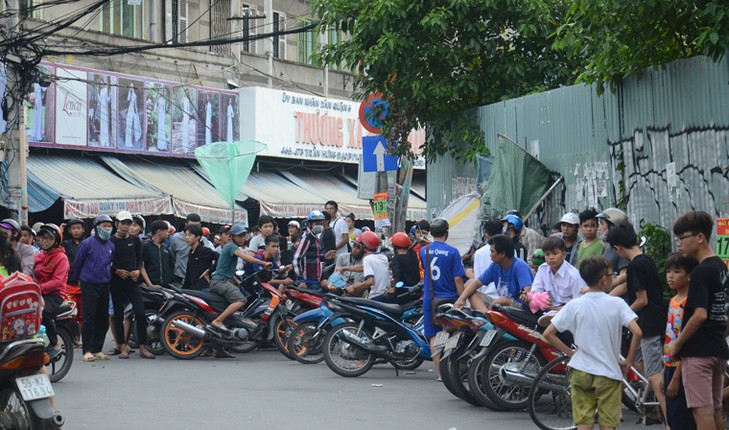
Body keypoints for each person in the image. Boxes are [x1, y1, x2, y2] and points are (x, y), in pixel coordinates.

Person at [544, 256, 642, 430]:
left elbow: (548, 333)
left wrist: (571, 353)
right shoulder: (617, 304)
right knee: (607, 424)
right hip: (608, 372)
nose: (613, 278)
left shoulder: (574, 305)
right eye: (612, 275)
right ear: (604, 279)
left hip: (580, 370)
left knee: (584, 423)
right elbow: (637, 332)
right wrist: (628, 362)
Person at [670, 211, 729, 430]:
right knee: (715, 410)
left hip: (698, 353)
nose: (679, 244)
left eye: (682, 238)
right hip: (718, 349)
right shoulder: (721, 268)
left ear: (700, 238)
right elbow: (725, 313)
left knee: (701, 412)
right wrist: (717, 335)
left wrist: (678, 343)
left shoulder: (701, 272)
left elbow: (700, 314)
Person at [604, 223, 668, 422]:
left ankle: (671, 420)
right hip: (645, 325)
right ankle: (653, 411)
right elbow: (621, 284)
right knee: (638, 367)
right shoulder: (643, 261)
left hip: (649, 326)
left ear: (618, 249)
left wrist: (622, 314)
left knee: (655, 377)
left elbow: (642, 300)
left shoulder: (636, 265)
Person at [419, 218, 466, 381]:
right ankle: (452, 370)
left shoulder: (423, 251)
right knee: (452, 334)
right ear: (446, 233)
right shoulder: (453, 252)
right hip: (449, 299)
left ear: (431, 233)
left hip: (430, 299)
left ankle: (441, 373)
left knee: (433, 335)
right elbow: (458, 279)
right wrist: (462, 299)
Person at [209, 224, 271, 336]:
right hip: (220, 282)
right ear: (233, 236)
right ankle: (218, 321)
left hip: (221, 281)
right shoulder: (231, 246)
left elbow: (225, 268)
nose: (243, 238)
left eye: (244, 235)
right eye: (240, 236)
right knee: (241, 300)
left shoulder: (230, 247)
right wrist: (264, 263)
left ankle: (221, 347)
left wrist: (237, 282)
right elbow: (246, 258)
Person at [109, 211, 154, 359]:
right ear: (117, 224)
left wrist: (136, 271)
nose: (126, 226)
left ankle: (143, 346)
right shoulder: (111, 241)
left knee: (140, 314)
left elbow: (140, 260)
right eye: (123, 223)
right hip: (116, 282)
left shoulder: (135, 240)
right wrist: (116, 270)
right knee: (118, 314)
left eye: (129, 223)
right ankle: (122, 346)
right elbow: (107, 262)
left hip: (133, 282)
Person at [663, 252, 698, 430]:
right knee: (672, 417)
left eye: (676, 271)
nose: (670, 276)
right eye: (668, 271)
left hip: (682, 368)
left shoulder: (688, 303)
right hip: (669, 365)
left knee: (682, 418)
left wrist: (676, 377)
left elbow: (686, 342)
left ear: (689, 275)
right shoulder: (673, 301)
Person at [72, 215, 115, 362]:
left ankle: (97, 349)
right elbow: (78, 262)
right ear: (96, 228)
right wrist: (77, 278)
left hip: (104, 284)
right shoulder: (87, 243)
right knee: (89, 317)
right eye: (104, 226)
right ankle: (87, 350)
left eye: (109, 226)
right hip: (89, 283)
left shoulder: (110, 245)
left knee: (103, 318)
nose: (107, 229)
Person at [455, 234, 532, 311]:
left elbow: (528, 291)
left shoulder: (520, 266)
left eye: (492, 252)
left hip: (520, 308)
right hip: (500, 304)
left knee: (502, 300)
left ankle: (489, 316)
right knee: (469, 285)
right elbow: (477, 283)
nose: (490, 255)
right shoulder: (495, 266)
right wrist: (461, 300)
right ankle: (486, 315)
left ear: (503, 254)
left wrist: (525, 293)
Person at [33, 224, 69, 358]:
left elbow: (57, 281)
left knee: (44, 313)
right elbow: (34, 276)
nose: (44, 241)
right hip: (38, 292)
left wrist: (38, 289)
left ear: (56, 240)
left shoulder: (62, 258)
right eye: (42, 238)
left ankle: (55, 344)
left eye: (48, 238)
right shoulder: (38, 256)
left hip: (55, 294)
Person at [528, 237, 586, 312]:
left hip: (568, 311)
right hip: (547, 309)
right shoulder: (543, 269)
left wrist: (555, 308)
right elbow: (535, 292)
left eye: (555, 253)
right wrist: (533, 298)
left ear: (564, 255)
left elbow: (579, 305)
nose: (551, 257)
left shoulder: (574, 275)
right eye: (547, 254)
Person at [344, 231, 389, 299]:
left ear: (363, 246)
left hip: (375, 297)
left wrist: (353, 287)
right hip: (385, 294)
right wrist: (345, 268)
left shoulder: (367, 259)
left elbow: (370, 281)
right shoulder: (383, 257)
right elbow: (363, 267)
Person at [596, 208, 630, 293]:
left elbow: (624, 282)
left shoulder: (621, 248)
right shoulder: (607, 247)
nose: (599, 229)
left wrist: (607, 299)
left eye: (602, 224)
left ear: (612, 226)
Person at [169, 213, 211, 284]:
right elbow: (171, 257)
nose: (194, 228)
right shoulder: (177, 238)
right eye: (191, 225)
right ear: (186, 225)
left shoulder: (204, 241)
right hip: (179, 281)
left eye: (197, 225)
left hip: (197, 281)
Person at [62, 218, 85, 347]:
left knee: (82, 314)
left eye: (78, 228)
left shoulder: (87, 243)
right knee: (70, 313)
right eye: (73, 228)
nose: (76, 231)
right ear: (69, 231)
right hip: (70, 283)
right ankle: (70, 337)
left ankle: (77, 337)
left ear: (83, 230)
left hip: (84, 283)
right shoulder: (65, 244)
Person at [472, 219, 504, 306]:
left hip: (486, 299)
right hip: (505, 299)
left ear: (486, 234)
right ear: (502, 232)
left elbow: (477, 279)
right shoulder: (510, 250)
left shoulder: (479, 253)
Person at [293, 211, 327, 289]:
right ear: (309, 224)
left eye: (321, 224)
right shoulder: (307, 238)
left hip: (315, 278)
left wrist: (325, 256)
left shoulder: (315, 237)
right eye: (317, 224)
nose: (319, 226)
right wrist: (301, 279)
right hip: (307, 280)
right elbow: (296, 258)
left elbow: (312, 256)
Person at [182, 224, 218, 290]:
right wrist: (183, 289)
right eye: (186, 235)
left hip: (203, 288)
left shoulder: (204, 250)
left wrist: (209, 270)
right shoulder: (190, 252)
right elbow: (188, 274)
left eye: (189, 235)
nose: (187, 237)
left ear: (198, 237)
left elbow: (220, 258)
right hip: (192, 288)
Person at [141, 220, 174, 288]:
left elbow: (171, 266)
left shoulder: (165, 248)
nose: (168, 234)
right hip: (150, 288)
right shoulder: (146, 247)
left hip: (166, 287)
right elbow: (141, 267)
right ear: (159, 232)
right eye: (167, 231)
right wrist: (149, 284)